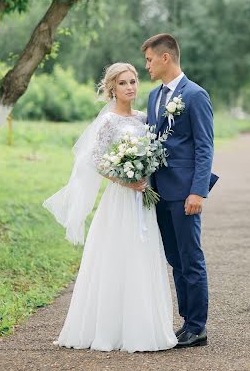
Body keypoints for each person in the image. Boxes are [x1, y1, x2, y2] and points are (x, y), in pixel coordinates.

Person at [42, 62, 177, 353]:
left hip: (143, 199)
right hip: (120, 198)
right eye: (123, 83)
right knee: (117, 256)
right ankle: (107, 329)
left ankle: (143, 327)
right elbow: (96, 160)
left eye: (133, 81)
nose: (130, 87)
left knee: (142, 254)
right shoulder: (108, 122)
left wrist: (144, 172)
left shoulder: (144, 119)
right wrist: (126, 179)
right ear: (112, 88)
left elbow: (152, 151)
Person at [142, 33, 214, 348]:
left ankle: (198, 326)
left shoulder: (195, 95)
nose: (146, 66)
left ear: (166, 58)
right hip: (159, 192)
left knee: (191, 258)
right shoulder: (153, 96)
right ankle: (187, 322)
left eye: (149, 59)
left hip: (185, 193)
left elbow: (204, 146)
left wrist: (198, 191)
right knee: (175, 258)